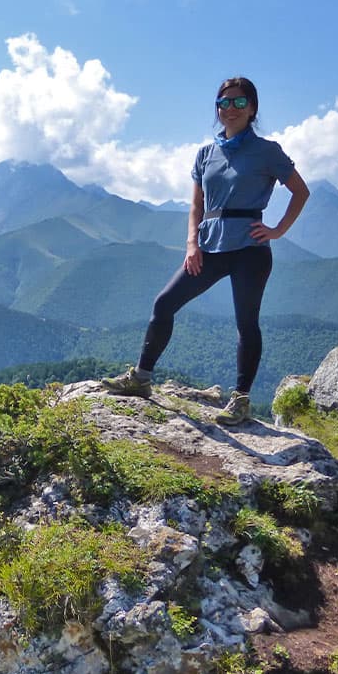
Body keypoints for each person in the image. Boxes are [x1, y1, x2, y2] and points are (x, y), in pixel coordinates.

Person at [102, 76, 309, 425]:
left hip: (250, 247)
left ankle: (240, 400)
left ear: (252, 109)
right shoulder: (205, 154)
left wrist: (277, 230)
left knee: (246, 323)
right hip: (209, 245)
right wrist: (191, 244)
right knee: (164, 303)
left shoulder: (268, 151)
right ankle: (141, 379)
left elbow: (300, 192)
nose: (230, 108)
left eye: (239, 102)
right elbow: (196, 206)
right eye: (224, 102)